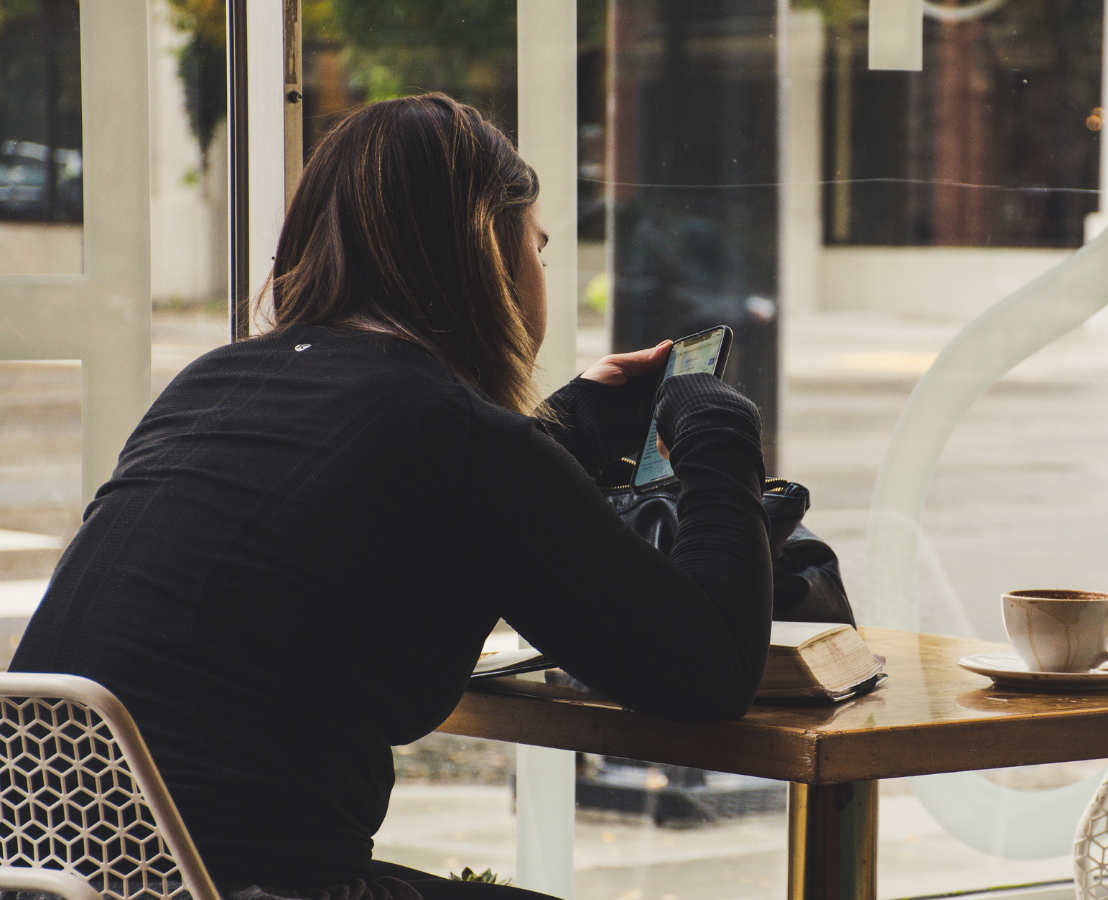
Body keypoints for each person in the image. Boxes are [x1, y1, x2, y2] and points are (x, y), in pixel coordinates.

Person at [10, 93, 773, 900]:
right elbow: (712, 670)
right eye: (537, 251)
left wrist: (567, 423)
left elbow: (390, 500)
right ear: (490, 252)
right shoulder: (461, 439)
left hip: (56, 877)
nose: (539, 278)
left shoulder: (215, 382)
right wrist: (718, 424)